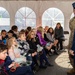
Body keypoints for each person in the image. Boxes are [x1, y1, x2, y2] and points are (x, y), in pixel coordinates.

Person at [68, 2, 75, 74]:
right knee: (71, 55)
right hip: (72, 40)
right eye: (74, 9)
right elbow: (71, 29)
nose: (74, 11)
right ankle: (74, 68)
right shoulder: (72, 20)